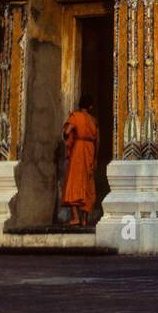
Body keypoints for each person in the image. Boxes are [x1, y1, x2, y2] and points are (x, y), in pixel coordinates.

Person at [61, 94, 98, 228]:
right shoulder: (93, 120)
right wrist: (95, 158)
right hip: (90, 150)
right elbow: (97, 141)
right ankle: (84, 219)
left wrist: (67, 139)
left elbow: (67, 131)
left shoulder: (75, 117)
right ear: (91, 106)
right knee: (88, 183)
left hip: (78, 150)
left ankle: (75, 218)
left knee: (74, 182)